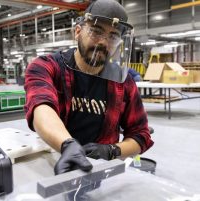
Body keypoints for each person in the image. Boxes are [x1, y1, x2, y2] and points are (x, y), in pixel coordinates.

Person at [24, 0, 154, 175]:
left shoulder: (123, 82)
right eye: (95, 31)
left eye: (113, 36)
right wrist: (67, 145)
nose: (103, 42)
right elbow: (41, 106)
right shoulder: (47, 67)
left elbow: (141, 135)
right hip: (55, 160)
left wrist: (112, 151)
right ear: (78, 32)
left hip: (100, 169)